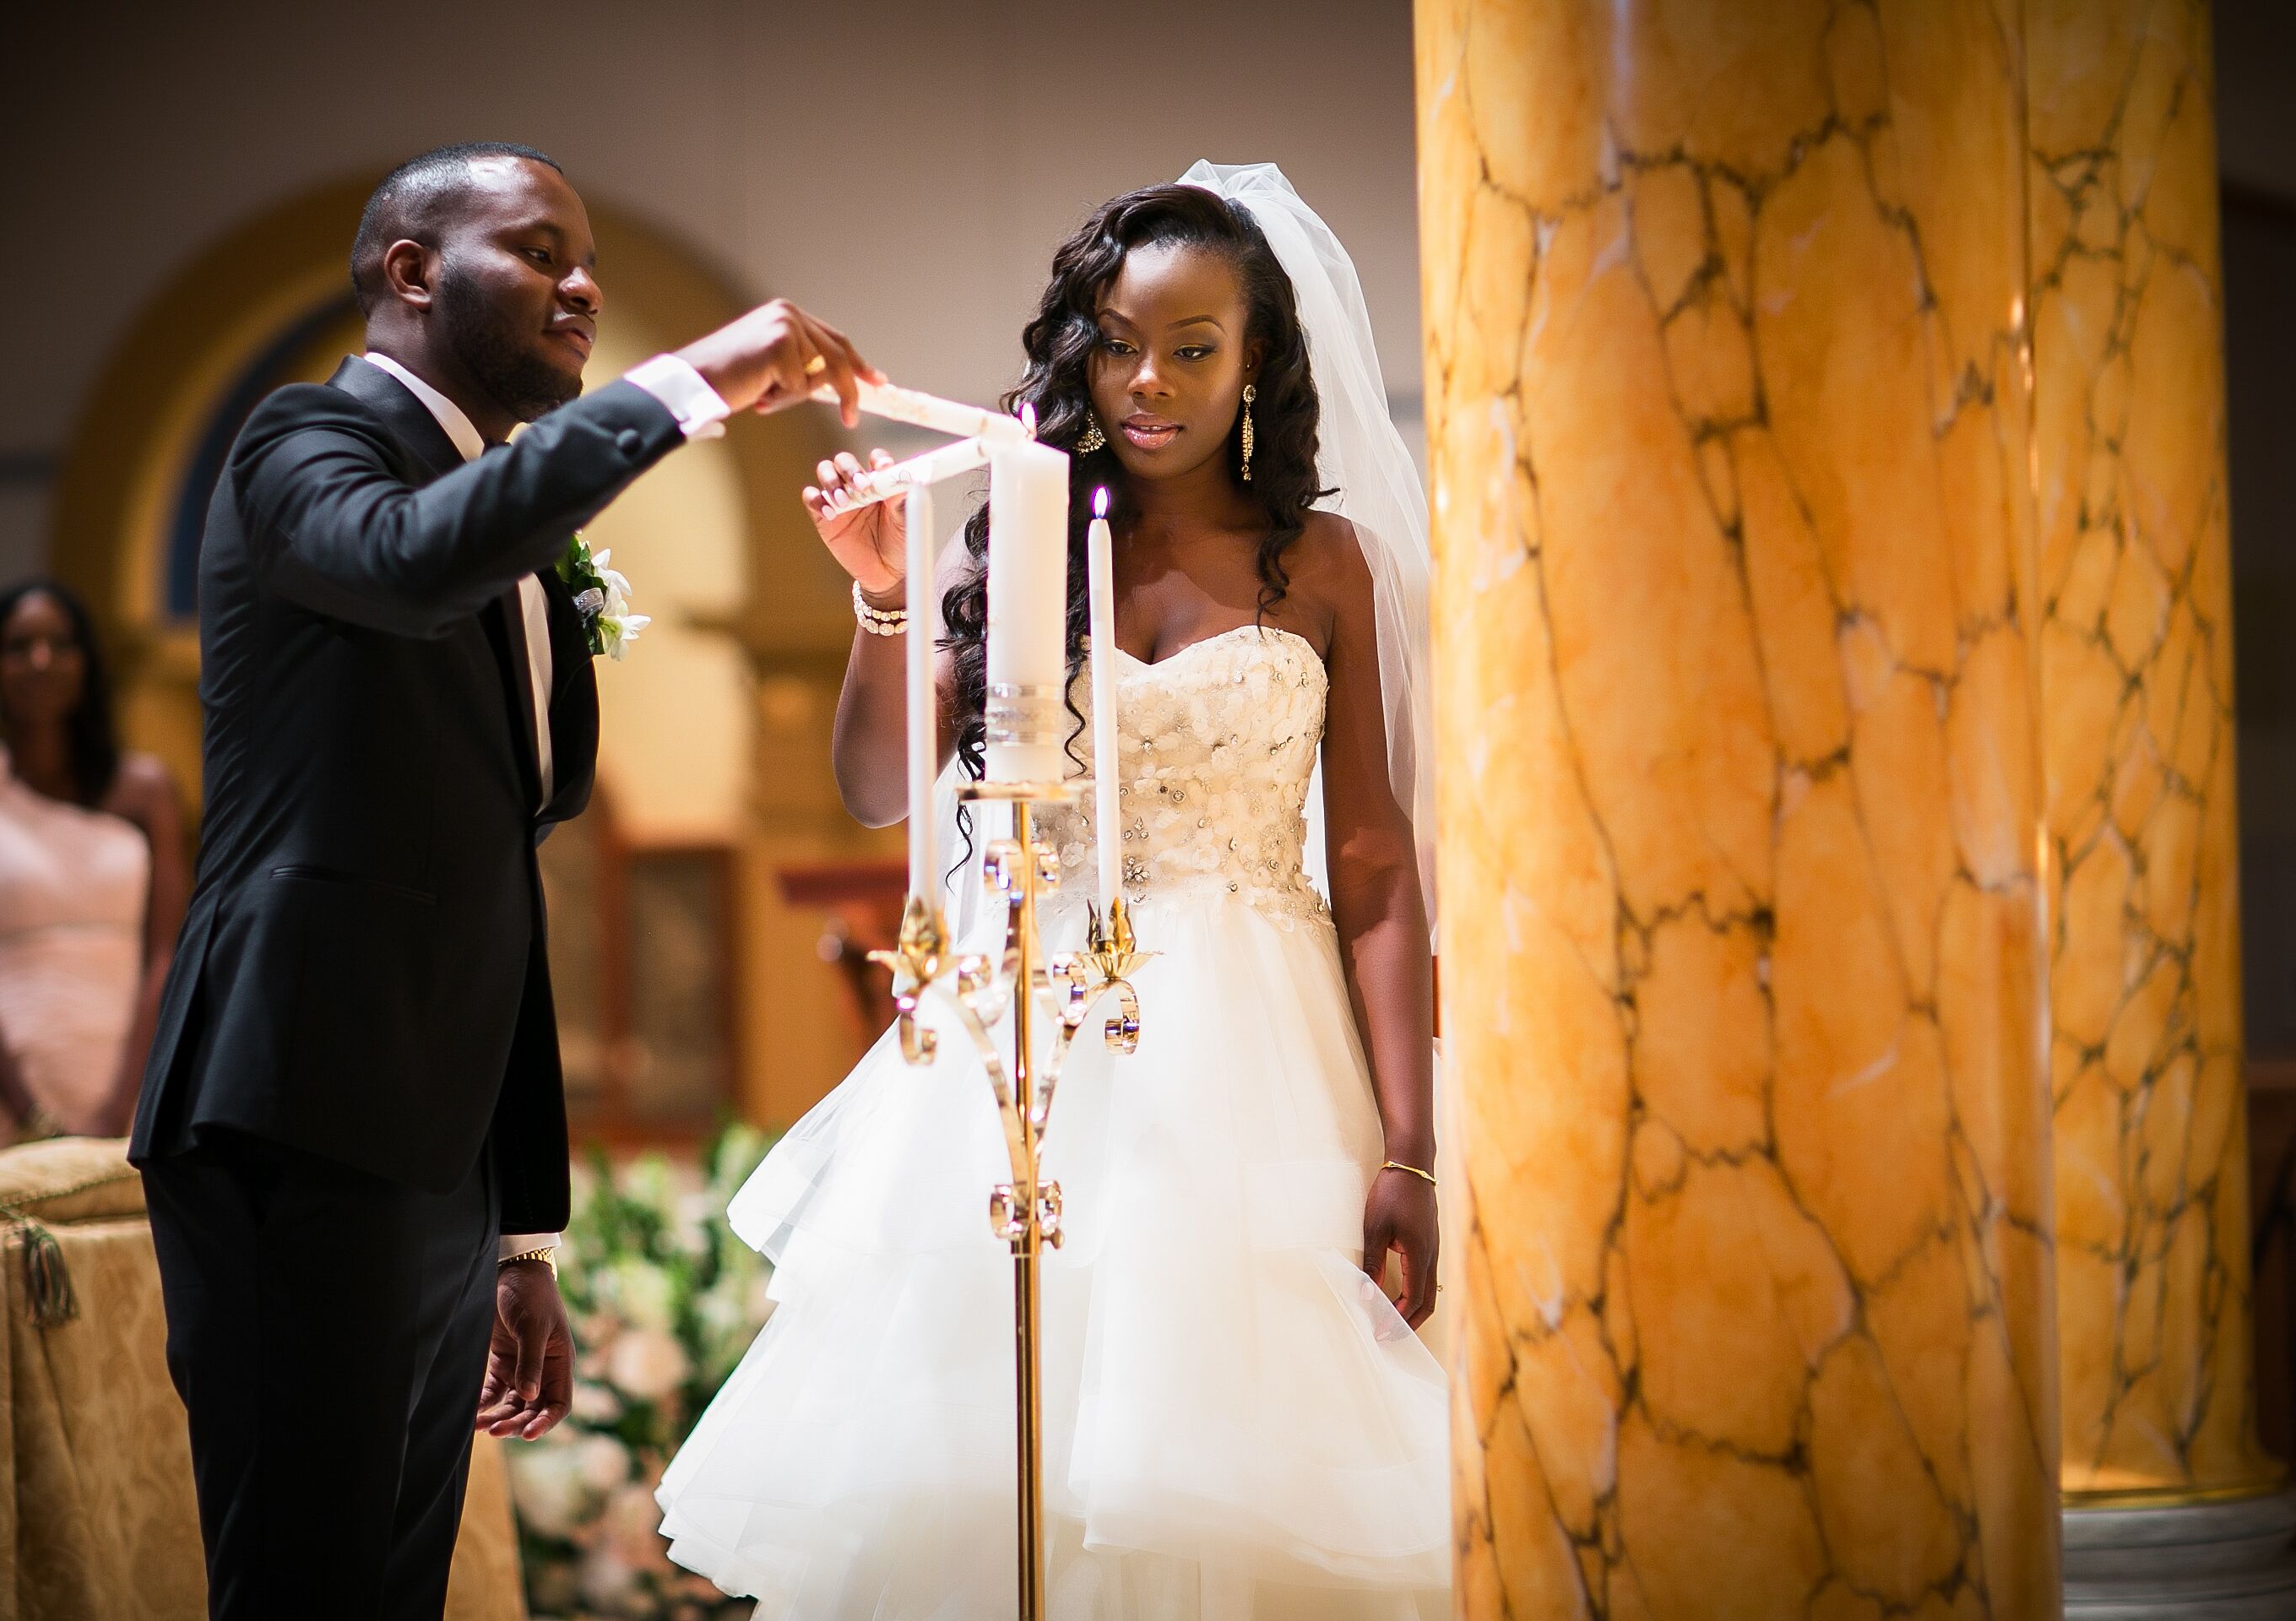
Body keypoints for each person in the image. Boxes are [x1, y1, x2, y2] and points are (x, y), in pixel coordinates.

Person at [657, 165, 1449, 1618]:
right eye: (1117, 342)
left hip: (1261, 1055)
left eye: (1193, 349)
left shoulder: (1327, 565)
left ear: (1257, 357)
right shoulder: (1014, 539)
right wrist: (883, 597)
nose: (1149, 382)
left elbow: (1380, 871)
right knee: (999, 1449)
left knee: (1237, 1462)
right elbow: (880, 791)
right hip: (1038, 1034)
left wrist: (1408, 1143)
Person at [126, 140, 878, 1618]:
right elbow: (406, 561)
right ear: (412, 273)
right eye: (539, 251)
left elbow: (492, 888)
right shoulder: (300, 444)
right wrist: (687, 387)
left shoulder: (518, 538)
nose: (581, 282)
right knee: (304, 1583)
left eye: (584, 255)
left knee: (392, 1588)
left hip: (433, 1155)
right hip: (298, 1113)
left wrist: (520, 1228)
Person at [0, 580, 187, 1163]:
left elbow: (167, 956)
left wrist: (122, 1105)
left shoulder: (147, 792)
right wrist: (27, 1112)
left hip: (126, 1085)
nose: (40, 660)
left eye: (60, 644)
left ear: (86, 662)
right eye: (19, 646)